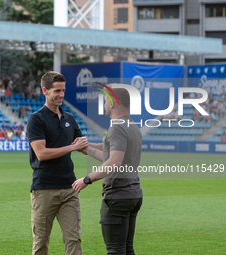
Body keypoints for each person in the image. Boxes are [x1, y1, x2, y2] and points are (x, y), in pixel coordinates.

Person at [72, 84, 143, 255]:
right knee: (126, 249)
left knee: (115, 251)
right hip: (133, 195)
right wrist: (87, 148)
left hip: (117, 197)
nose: (104, 105)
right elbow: (112, 155)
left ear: (112, 103)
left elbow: (113, 162)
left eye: (105, 101)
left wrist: (86, 179)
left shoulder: (117, 127)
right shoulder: (132, 126)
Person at [26, 71, 87, 255]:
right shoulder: (36, 119)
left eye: (63, 90)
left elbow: (83, 147)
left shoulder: (69, 118)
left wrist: (115, 151)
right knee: (41, 243)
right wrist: (71, 148)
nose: (61, 94)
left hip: (70, 188)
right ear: (45, 91)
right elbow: (41, 153)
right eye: (57, 91)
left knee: (74, 240)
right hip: (44, 189)